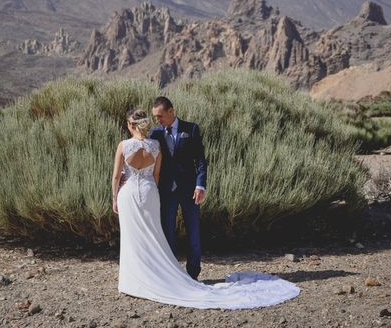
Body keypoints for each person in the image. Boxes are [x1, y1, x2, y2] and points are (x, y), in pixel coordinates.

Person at [112, 108, 300, 309]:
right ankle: (155, 275)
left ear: (131, 125)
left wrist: (115, 197)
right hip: (151, 192)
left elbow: (116, 177)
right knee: (153, 234)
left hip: (130, 193)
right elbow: (156, 176)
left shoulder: (124, 145)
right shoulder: (155, 144)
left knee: (133, 236)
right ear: (145, 124)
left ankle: (134, 280)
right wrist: (152, 192)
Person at [150, 96, 206, 280]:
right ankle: (172, 275)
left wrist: (200, 185)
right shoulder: (155, 133)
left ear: (171, 111)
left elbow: (200, 160)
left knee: (194, 233)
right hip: (166, 191)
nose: (157, 120)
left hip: (190, 190)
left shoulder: (191, 129)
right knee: (167, 233)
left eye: (160, 116)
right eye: (155, 117)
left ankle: (193, 274)